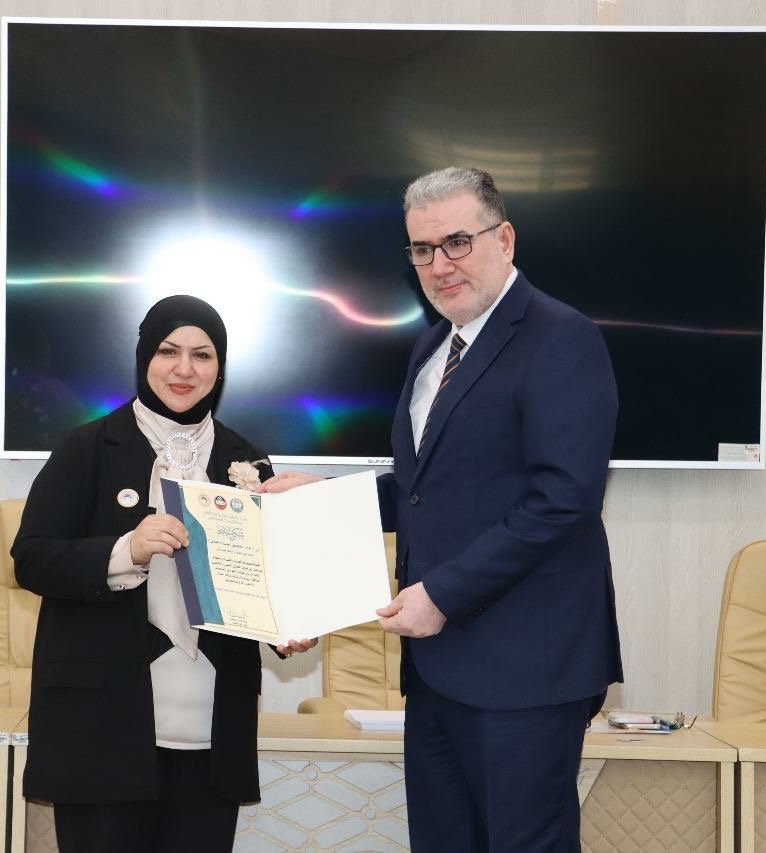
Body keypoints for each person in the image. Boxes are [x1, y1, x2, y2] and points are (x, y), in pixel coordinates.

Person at [262, 166, 623, 852]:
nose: (439, 264)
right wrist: (326, 495)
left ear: (504, 239)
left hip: (525, 667)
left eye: (457, 242)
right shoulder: (434, 345)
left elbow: (565, 500)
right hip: (438, 666)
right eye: (423, 249)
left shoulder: (560, 337)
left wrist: (443, 595)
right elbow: (422, 490)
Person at [11, 294, 314, 853]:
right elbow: (30, 558)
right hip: (101, 731)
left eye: (202, 355)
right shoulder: (87, 447)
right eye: (168, 351)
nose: (184, 369)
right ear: (144, 357)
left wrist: (285, 627)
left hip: (210, 731)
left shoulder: (247, 459)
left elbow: (260, 581)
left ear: (220, 367)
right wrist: (126, 550)